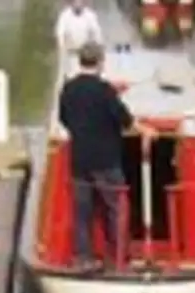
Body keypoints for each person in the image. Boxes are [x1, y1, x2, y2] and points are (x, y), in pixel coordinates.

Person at [58, 42, 153, 269]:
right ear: (100, 62)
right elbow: (126, 120)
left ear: (81, 61)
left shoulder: (68, 89)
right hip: (106, 161)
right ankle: (118, 258)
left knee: (82, 212)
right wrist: (146, 131)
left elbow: (64, 119)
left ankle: (83, 258)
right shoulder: (104, 91)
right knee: (116, 208)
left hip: (80, 160)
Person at [54, 0, 104, 74]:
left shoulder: (90, 15)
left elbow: (97, 32)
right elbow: (60, 33)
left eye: (80, 1)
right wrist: (62, 47)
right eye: (75, 2)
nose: (78, 4)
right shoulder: (65, 15)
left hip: (86, 52)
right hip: (70, 51)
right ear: (71, 3)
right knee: (69, 73)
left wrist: (99, 48)